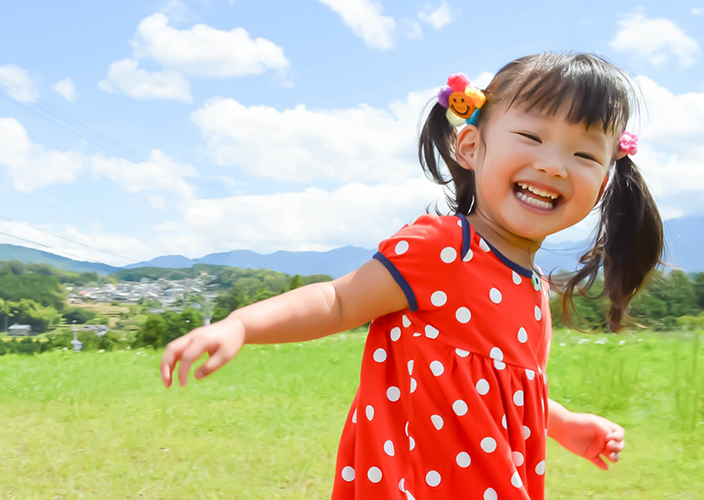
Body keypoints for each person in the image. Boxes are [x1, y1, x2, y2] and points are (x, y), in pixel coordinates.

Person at [159, 52, 663, 499]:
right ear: (469, 146)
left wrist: (564, 425)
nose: (554, 166)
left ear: (603, 183)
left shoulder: (533, 289)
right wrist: (241, 324)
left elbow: (503, 391)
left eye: (584, 154)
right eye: (531, 136)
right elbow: (338, 301)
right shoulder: (445, 249)